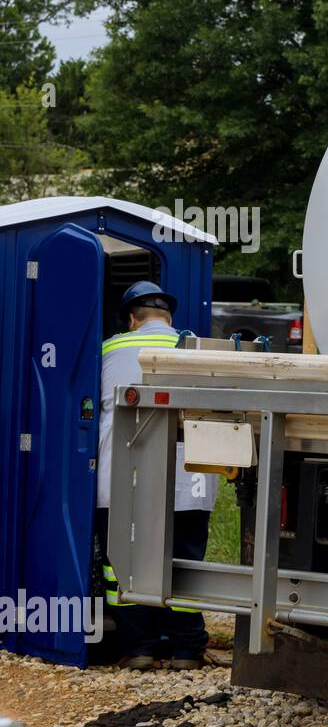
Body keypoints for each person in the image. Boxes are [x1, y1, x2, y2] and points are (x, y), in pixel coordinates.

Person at [95, 281, 219, 670]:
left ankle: (140, 648)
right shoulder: (195, 348)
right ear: (169, 318)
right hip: (189, 479)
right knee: (185, 562)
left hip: (123, 477)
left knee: (122, 564)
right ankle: (185, 650)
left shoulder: (108, 349)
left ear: (133, 319)